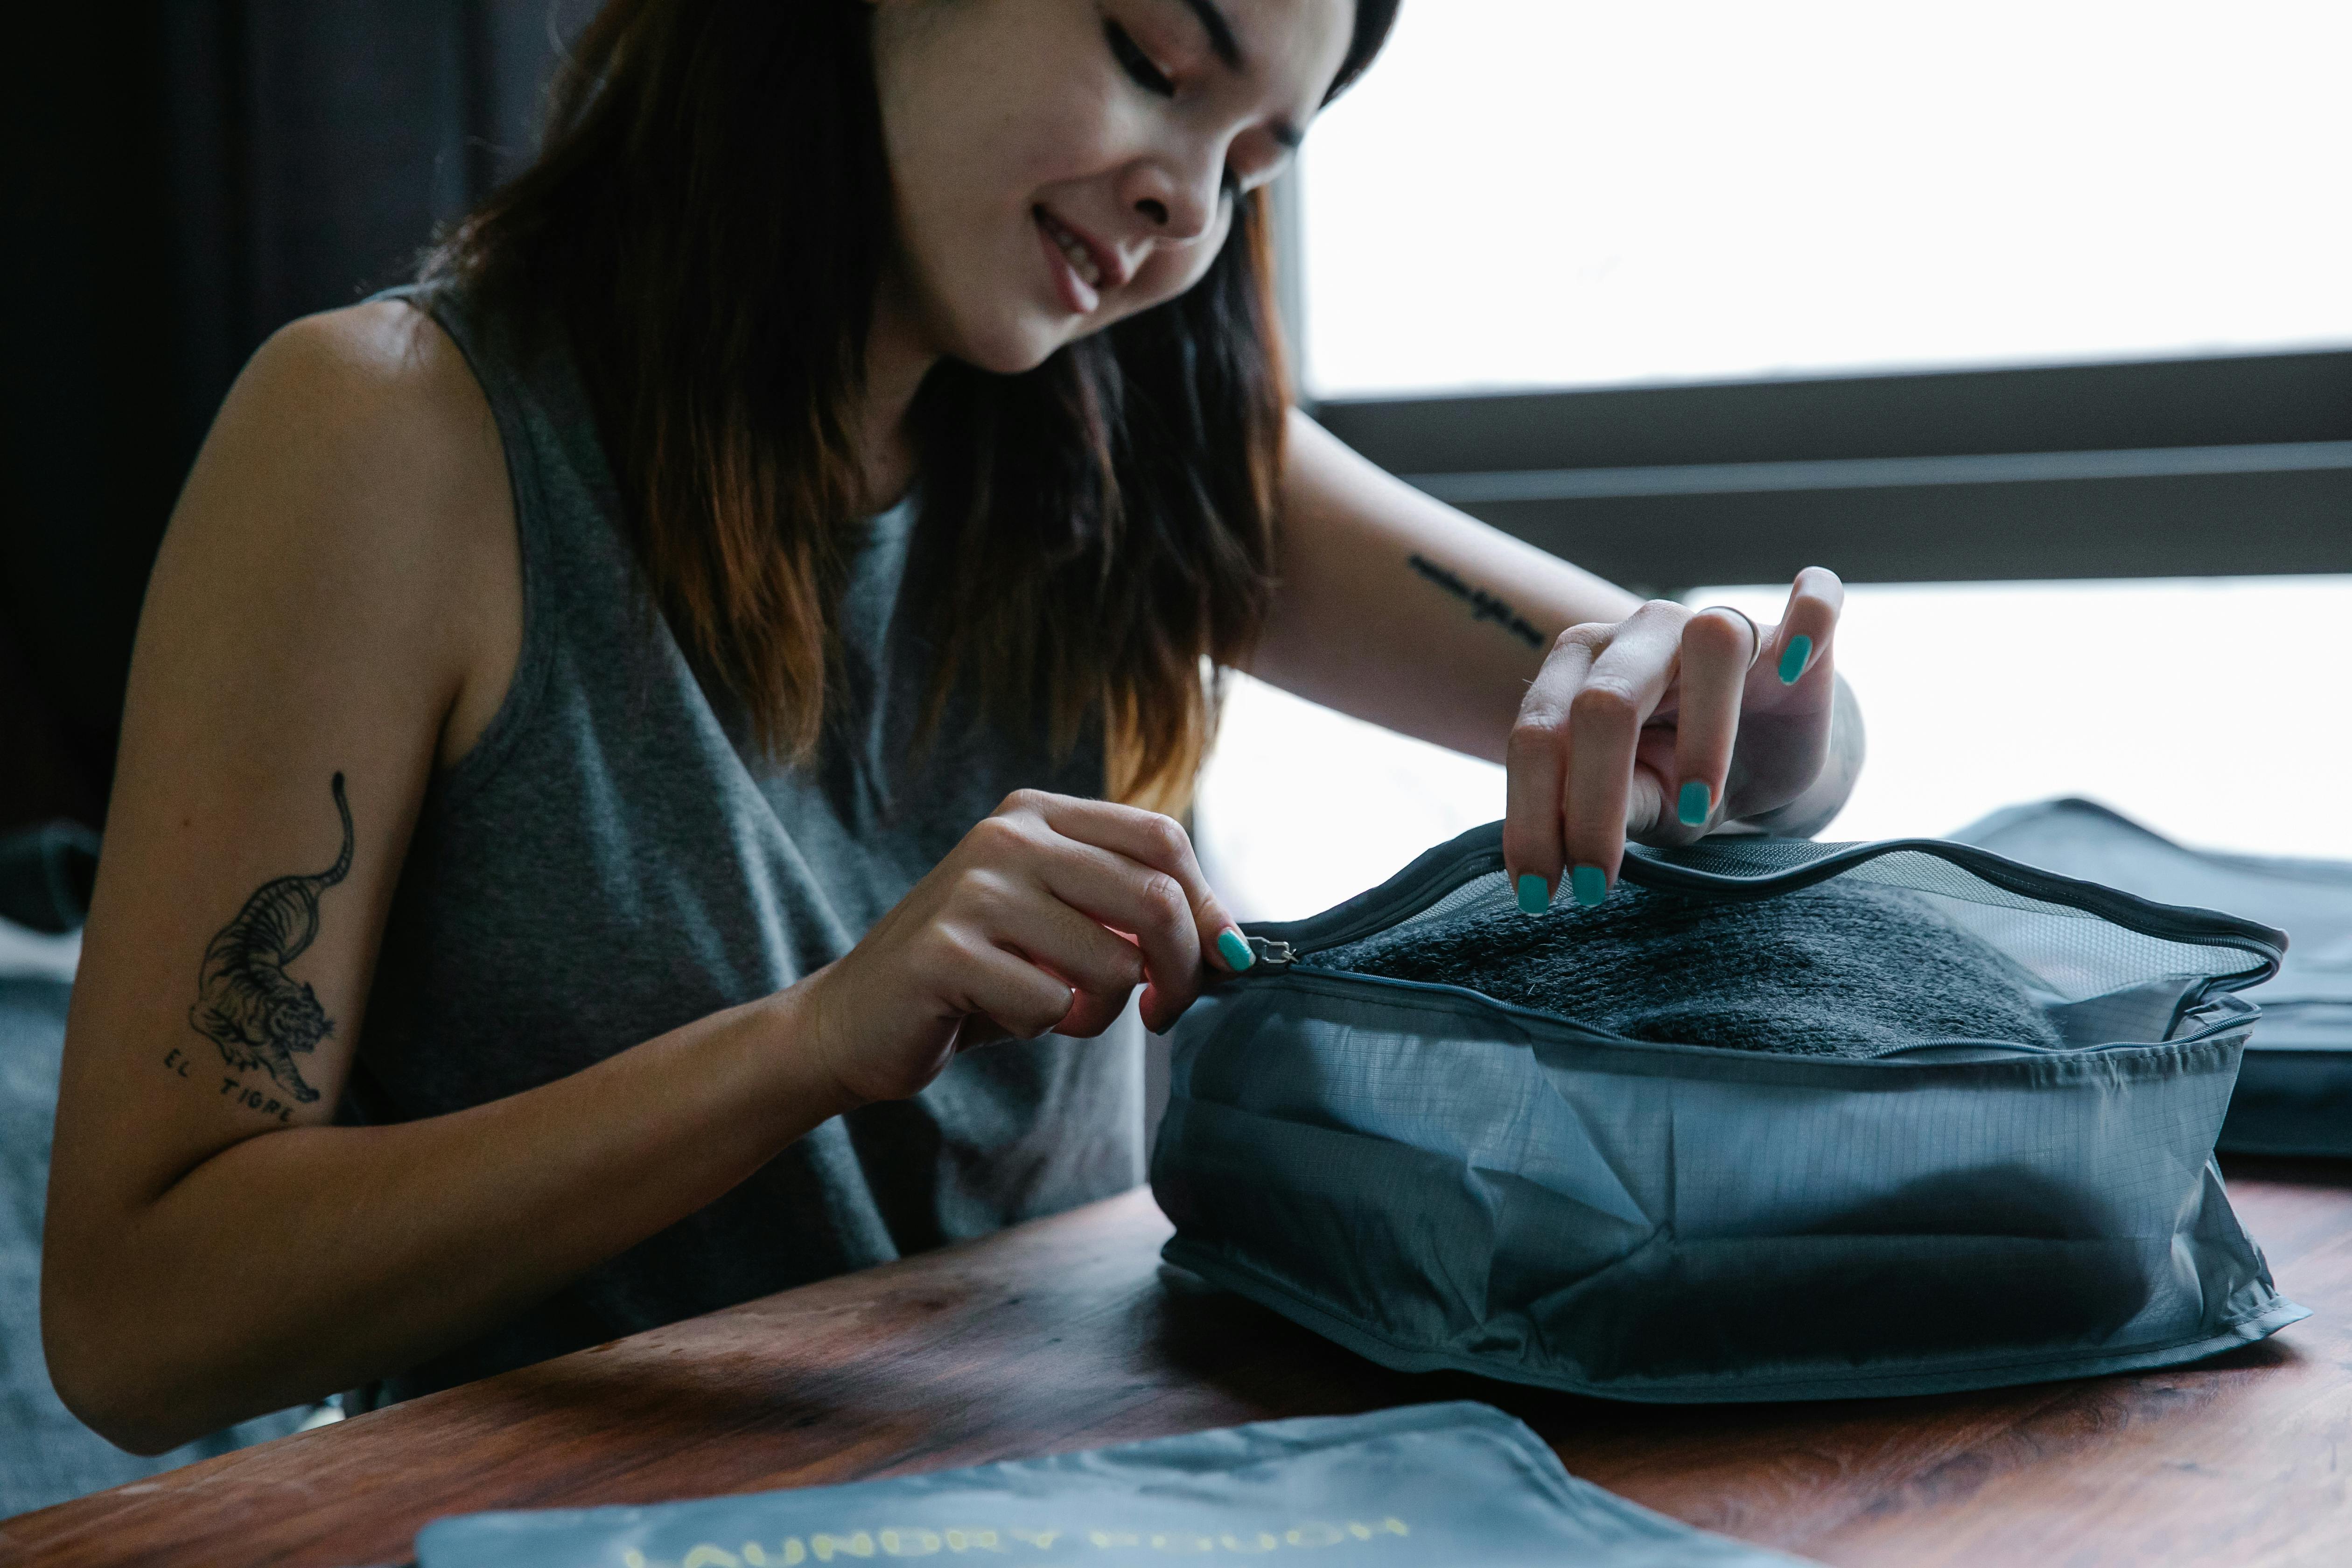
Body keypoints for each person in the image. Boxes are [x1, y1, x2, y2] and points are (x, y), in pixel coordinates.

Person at [43, 0, 1860, 1455]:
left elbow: (1732, 725)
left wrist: (1753, 709)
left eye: (1253, 162)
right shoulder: (383, 442)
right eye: (1156, 61)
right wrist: (809, 1044)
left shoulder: (1141, 449)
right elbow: (140, 1327)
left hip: (1092, 1483)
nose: (1187, 208)